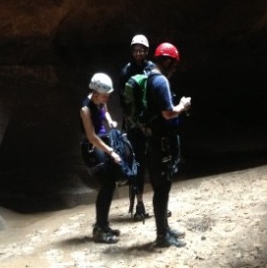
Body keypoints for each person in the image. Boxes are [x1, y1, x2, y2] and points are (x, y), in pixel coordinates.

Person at [146, 42, 192, 248]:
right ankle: (162, 235)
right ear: (166, 61)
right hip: (159, 143)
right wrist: (182, 106)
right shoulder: (160, 81)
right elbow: (168, 113)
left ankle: (164, 228)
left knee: (162, 187)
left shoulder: (149, 76)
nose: (174, 68)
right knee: (162, 188)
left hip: (153, 141)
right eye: (174, 64)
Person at [80, 72, 123, 243]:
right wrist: (111, 152)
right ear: (96, 93)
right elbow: (91, 137)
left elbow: (104, 110)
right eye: (105, 95)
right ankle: (99, 229)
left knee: (110, 184)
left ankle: (103, 225)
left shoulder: (100, 100)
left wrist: (110, 121)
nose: (107, 98)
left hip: (102, 141)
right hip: (92, 147)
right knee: (106, 184)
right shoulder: (85, 109)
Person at [118, 34, 155, 221]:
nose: (138, 53)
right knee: (138, 164)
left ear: (146, 51)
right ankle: (139, 204)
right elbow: (124, 102)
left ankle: (159, 204)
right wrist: (136, 124)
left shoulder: (152, 69)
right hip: (134, 126)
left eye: (141, 50)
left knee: (156, 163)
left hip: (151, 122)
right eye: (135, 50)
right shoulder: (126, 71)